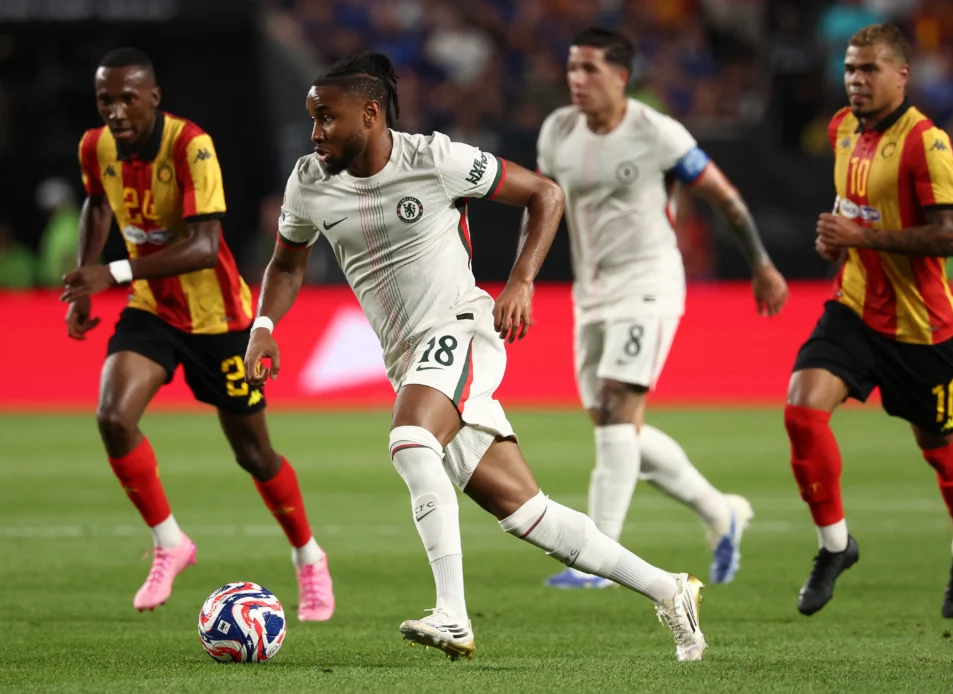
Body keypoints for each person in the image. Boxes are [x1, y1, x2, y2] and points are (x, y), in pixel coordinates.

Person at [244, 51, 707, 662]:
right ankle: (669, 589)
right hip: (407, 359)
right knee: (526, 513)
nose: (315, 133)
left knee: (411, 442)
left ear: (371, 113)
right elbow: (286, 263)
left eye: (327, 117)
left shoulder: (435, 160)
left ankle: (453, 615)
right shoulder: (308, 181)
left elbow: (545, 193)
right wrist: (264, 324)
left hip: (460, 328)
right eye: (313, 118)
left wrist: (521, 281)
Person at [60, 47, 335, 620]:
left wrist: (110, 272)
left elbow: (205, 246)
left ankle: (309, 556)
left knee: (254, 454)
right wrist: (85, 282)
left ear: (154, 97)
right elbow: (96, 204)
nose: (115, 111)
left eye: (128, 99)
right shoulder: (95, 147)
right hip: (152, 309)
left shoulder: (191, 146)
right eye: (106, 100)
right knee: (113, 417)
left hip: (220, 320)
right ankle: (170, 543)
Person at [533, 27, 789, 589]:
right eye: (572, 68)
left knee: (619, 407)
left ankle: (596, 561)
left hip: (648, 283)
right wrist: (525, 276)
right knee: (615, 425)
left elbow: (723, 196)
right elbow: (546, 203)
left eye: (590, 69)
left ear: (621, 77)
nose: (577, 79)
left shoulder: (656, 132)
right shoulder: (558, 131)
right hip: (591, 292)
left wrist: (761, 264)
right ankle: (721, 511)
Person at [785, 24, 953, 618]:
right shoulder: (841, 129)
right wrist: (838, 240)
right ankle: (835, 546)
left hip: (921, 329)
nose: (856, 79)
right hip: (853, 308)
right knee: (802, 411)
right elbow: (854, 206)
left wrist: (861, 236)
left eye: (870, 69)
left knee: (941, 449)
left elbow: (952, 237)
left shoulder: (927, 143)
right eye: (850, 68)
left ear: (902, 75)